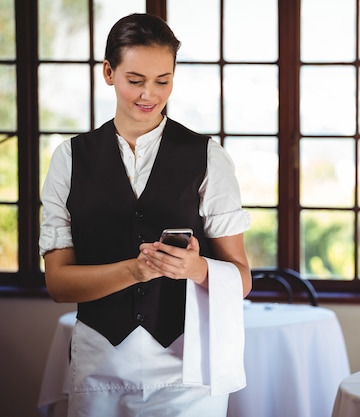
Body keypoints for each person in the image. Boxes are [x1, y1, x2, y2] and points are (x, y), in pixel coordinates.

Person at [39, 13, 251, 417]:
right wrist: (134, 271)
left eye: (163, 80)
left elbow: (240, 279)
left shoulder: (208, 157)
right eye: (135, 80)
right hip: (100, 364)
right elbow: (58, 284)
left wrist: (196, 267)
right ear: (108, 72)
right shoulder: (69, 159)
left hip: (187, 369)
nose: (148, 95)